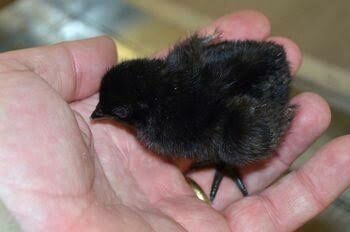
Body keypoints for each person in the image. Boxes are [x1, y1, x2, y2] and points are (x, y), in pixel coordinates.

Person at [0, 10, 348, 231]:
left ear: (142, 112)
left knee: (240, 140)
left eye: (114, 111)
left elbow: (264, 69)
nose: (101, 114)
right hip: (245, 76)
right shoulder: (180, 66)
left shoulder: (172, 130)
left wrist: (227, 158)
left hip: (258, 87)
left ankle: (234, 151)